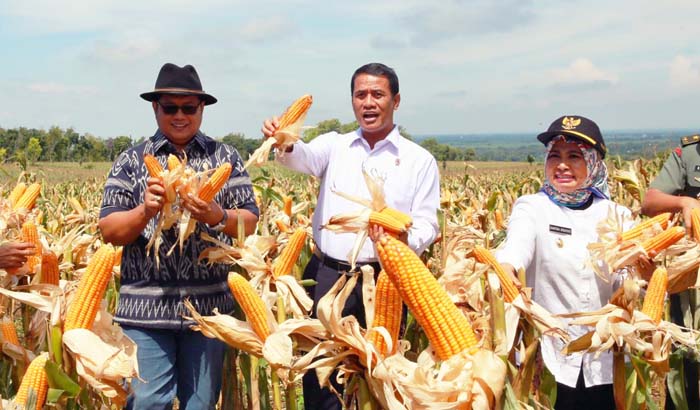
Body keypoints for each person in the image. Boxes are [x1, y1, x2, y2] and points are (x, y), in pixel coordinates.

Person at [261, 62, 440, 409]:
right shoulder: (335, 146)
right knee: (322, 379)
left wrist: (405, 241)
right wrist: (282, 138)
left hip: (389, 280)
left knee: (381, 377)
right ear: (353, 101)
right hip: (327, 276)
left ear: (396, 101)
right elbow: (299, 158)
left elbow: (427, 223)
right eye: (361, 95)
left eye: (378, 94)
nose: (368, 102)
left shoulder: (419, 160)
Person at [99, 63, 259, 409]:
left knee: (200, 404)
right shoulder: (131, 161)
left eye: (189, 107)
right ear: (155, 108)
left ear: (201, 109)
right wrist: (146, 212)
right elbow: (109, 230)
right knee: (147, 401)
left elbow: (250, 219)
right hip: (145, 314)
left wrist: (217, 215)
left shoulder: (225, 157)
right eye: (170, 107)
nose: (180, 115)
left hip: (208, 313)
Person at [495, 116, 631, 409]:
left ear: (594, 163)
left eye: (575, 157)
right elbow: (514, 250)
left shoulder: (618, 216)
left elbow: (631, 285)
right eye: (554, 156)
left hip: (605, 360)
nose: (562, 165)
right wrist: (505, 270)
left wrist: (642, 275)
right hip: (548, 361)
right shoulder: (532, 207)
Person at [640, 134, 700, 410]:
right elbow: (650, 202)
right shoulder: (689, 154)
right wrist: (684, 203)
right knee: (686, 364)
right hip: (691, 282)